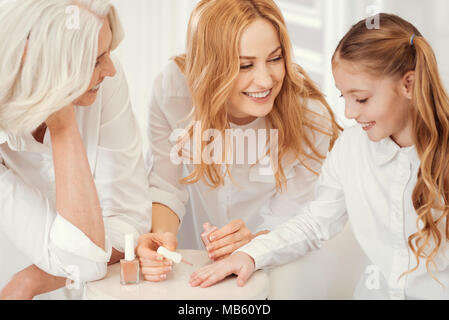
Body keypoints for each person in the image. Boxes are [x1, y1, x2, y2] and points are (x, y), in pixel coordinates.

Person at [189, 13, 449, 300]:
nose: (349, 113)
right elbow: (315, 222)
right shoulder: (351, 148)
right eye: (344, 97)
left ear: (408, 85)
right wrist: (250, 255)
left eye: (361, 99)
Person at [136, 0, 341, 282]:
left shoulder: (309, 118)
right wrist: (161, 239)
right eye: (245, 65)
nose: (266, 80)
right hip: (187, 264)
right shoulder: (174, 89)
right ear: (211, 68)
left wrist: (253, 242)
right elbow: (166, 185)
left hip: (269, 268)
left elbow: (295, 218)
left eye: (275, 58)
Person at [0, 0, 151, 299]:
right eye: (94, 61)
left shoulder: (106, 82)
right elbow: (85, 259)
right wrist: (61, 119)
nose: (109, 70)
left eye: (106, 55)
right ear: (40, 67)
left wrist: (30, 281)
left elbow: (130, 224)